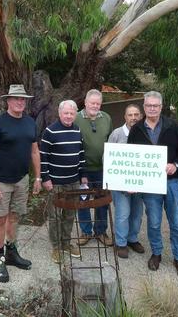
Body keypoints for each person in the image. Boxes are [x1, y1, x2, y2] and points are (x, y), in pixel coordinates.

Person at [127, 91, 178, 278]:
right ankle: (156, 253)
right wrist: (131, 181)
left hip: (173, 182)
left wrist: (176, 164)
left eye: (155, 105)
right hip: (150, 185)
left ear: (161, 107)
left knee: (176, 223)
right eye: (148, 105)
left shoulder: (173, 126)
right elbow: (131, 157)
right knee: (153, 222)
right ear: (144, 107)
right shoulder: (137, 129)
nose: (152, 108)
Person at [0, 84, 41, 283]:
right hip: (1, 181)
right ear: (8, 101)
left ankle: (11, 252)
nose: (20, 102)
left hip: (22, 179)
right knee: (0, 219)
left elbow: (34, 151)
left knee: (14, 217)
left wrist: (38, 178)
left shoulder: (29, 122)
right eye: (16, 98)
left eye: (23, 99)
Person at [39, 100, 88, 264]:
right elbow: (43, 156)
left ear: (75, 114)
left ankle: (66, 243)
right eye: (66, 113)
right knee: (54, 217)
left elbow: (81, 155)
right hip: (56, 182)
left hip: (73, 181)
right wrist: (45, 178)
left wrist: (83, 175)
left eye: (72, 113)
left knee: (69, 215)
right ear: (59, 113)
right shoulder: (50, 131)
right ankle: (56, 247)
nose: (68, 116)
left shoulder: (77, 130)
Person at [75, 89, 114, 247]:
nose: (95, 106)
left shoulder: (106, 118)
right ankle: (85, 231)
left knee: (102, 201)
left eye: (98, 103)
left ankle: (100, 231)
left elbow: (111, 141)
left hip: (102, 168)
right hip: (82, 169)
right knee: (83, 200)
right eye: (92, 103)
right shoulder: (76, 118)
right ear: (85, 102)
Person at [108, 104, 145, 258]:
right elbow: (108, 157)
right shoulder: (116, 134)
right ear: (125, 117)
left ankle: (132, 238)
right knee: (123, 213)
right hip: (120, 184)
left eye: (136, 114)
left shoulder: (145, 133)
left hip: (140, 182)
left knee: (137, 213)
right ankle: (121, 242)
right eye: (130, 115)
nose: (133, 118)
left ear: (141, 116)